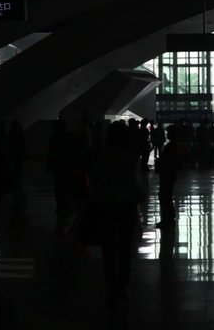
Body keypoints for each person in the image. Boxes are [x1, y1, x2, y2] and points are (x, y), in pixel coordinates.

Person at [93, 121, 143, 306]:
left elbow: (97, 183)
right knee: (124, 248)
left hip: (106, 205)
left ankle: (110, 286)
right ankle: (123, 286)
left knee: (108, 249)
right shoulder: (130, 158)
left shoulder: (102, 157)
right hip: (126, 206)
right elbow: (134, 183)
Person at [157, 125, 181, 228]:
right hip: (170, 174)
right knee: (167, 196)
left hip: (167, 174)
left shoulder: (171, 146)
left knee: (164, 196)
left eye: (169, 133)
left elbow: (168, 161)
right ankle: (169, 217)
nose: (167, 134)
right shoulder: (173, 145)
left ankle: (167, 218)